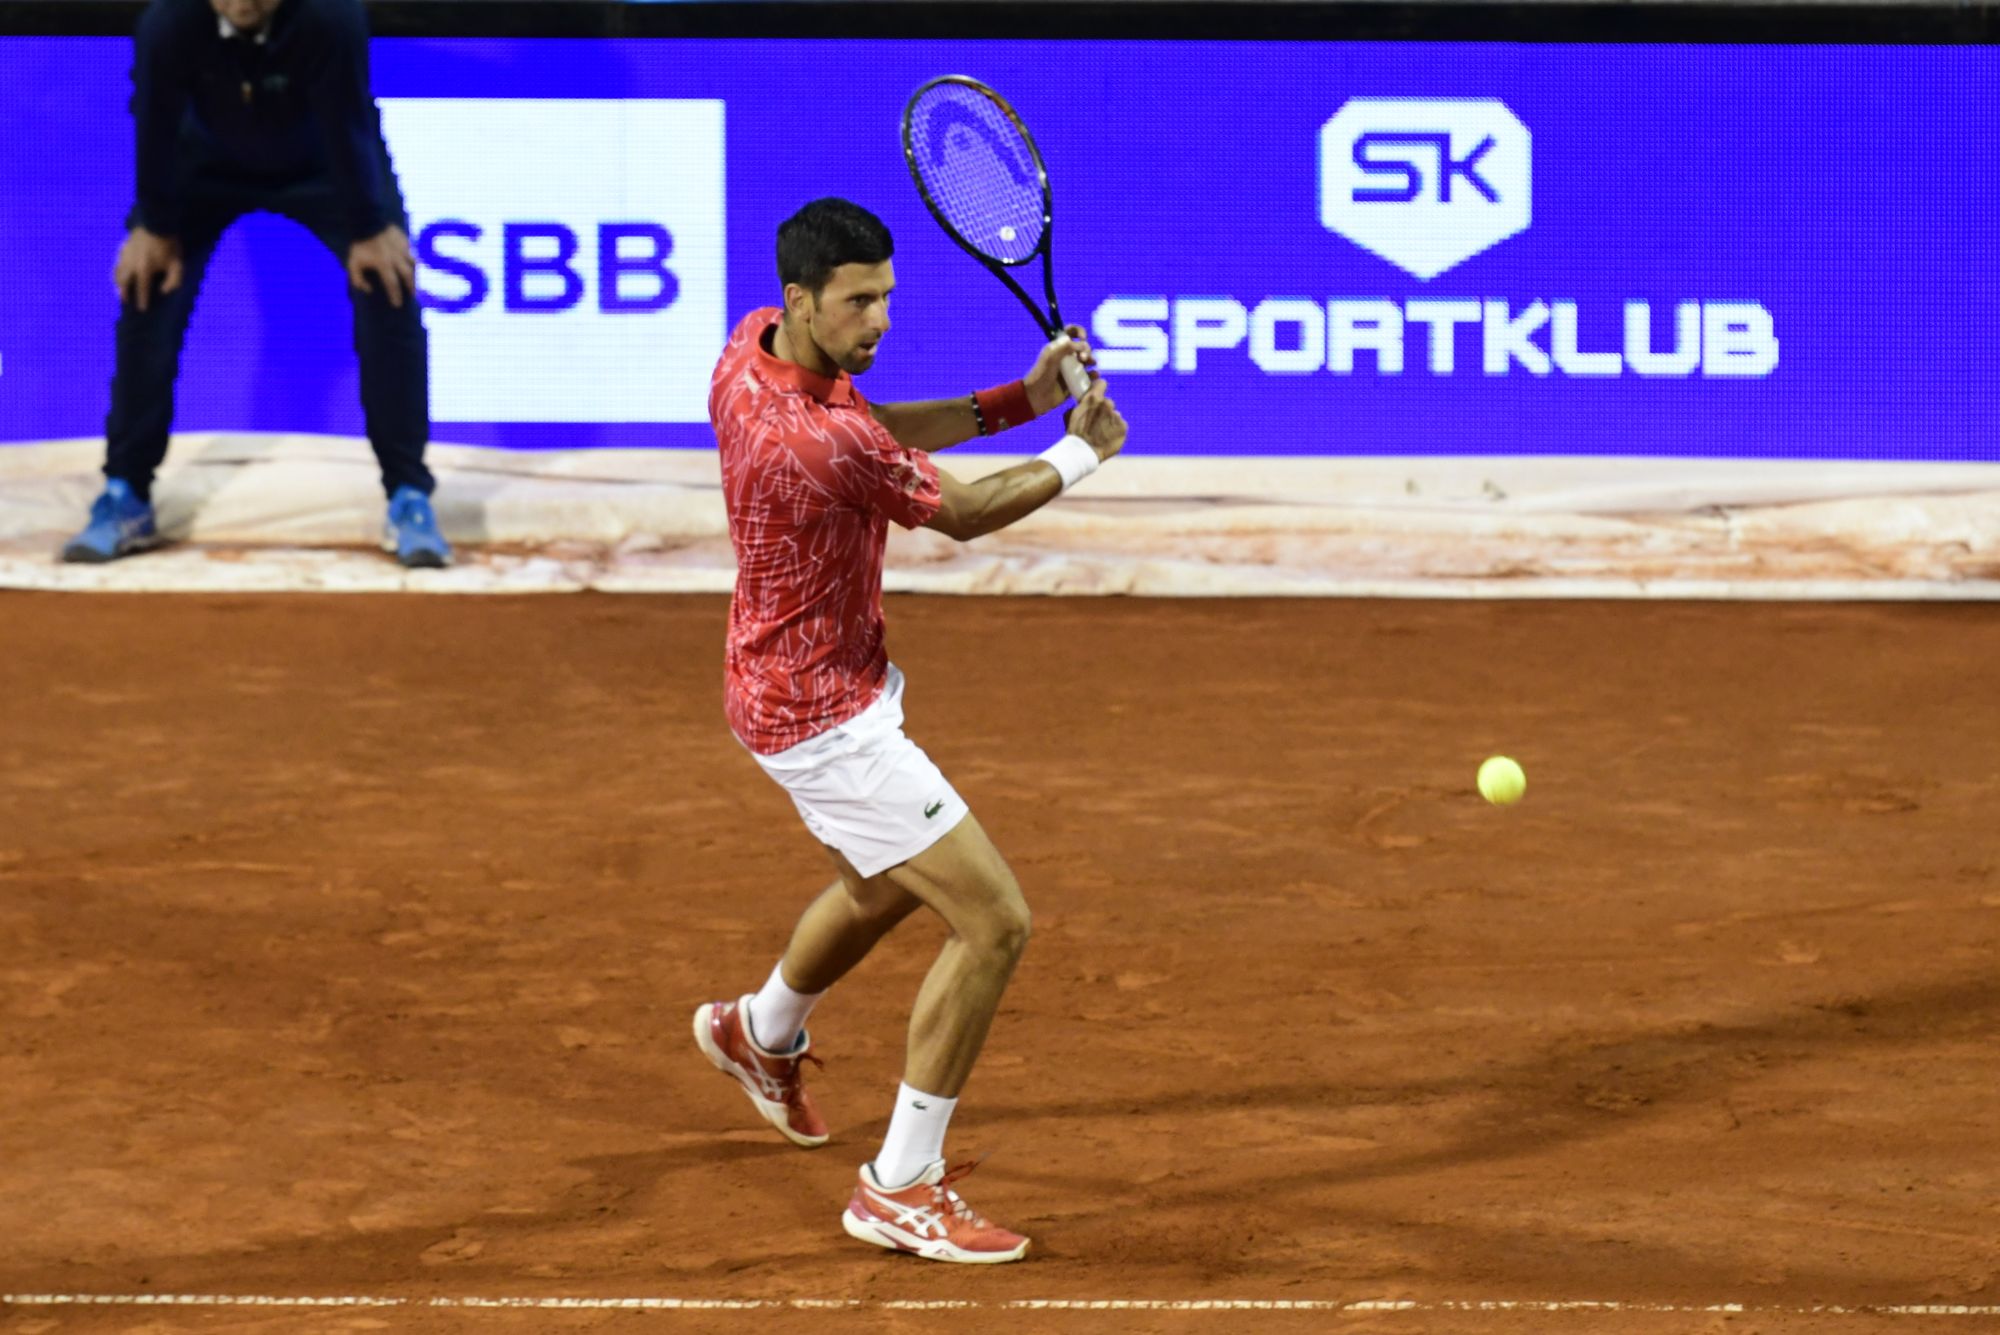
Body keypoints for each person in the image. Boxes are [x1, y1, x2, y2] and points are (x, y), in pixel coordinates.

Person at [694, 198, 1127, 1264]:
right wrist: (1081, 452)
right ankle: (899, 1185)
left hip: (786, 682)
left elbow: (874, 427)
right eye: (858, 301)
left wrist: (1014, 400)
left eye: (885, 294)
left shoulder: (745, 349)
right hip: (824, 719)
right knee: (992, 922)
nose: (879, 317)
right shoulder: (816, 435)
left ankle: (758, 1031)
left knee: (885, 881)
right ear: (803, 300)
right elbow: (965, 512)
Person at [63, 0, 449, 569]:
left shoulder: (329, 18)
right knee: (148, 287)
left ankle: (409, 495)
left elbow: (349, 122)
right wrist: (156, 223)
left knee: (387, 285)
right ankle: (126, 492)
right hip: (205, 169)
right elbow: (156, 119)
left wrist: (369, 226)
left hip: (323, 166)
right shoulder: (169, 24)